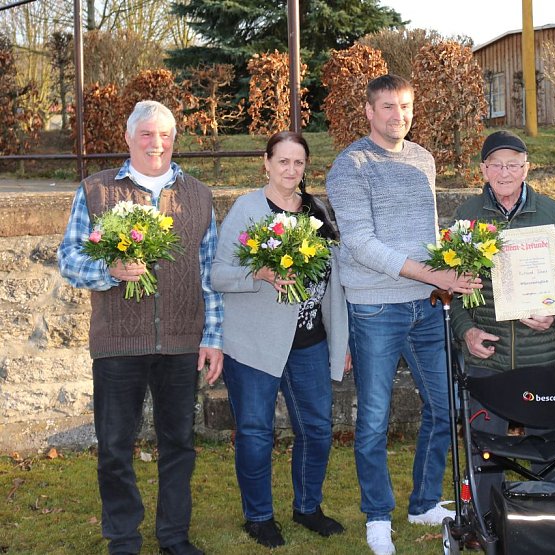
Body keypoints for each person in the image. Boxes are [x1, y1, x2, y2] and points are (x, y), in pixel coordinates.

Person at [57, 100, 223, 555]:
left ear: (175, 140)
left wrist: (212, 337)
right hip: (117, 343)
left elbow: (209, 274)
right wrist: (110, 270)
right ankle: (123, 539)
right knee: (114, 447)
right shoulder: (96, 190)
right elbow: (68, 259)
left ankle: (174, 536)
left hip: (180, 342)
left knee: (179, 445)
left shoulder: (199, 195)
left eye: (165, 135)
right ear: (128, 138)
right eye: (146, 134)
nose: (156, 143)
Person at [325, 74, 478, 555]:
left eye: (406, 106)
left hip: (427, 305)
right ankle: (377, 517)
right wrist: (434, 274)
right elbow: (360, 243)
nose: (399, 115)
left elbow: (426, 233)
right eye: (388, 107)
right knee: (374, 417)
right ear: (369, 111)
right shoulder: (351, 166)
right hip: (375, 306)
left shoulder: (422, 159)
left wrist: (449, 268)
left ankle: (424, 503)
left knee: (444, 406)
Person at [210, 131, 348, 548]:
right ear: (266, 164)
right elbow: (218, 274)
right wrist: (260, 273)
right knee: (255, 432)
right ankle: (258, 517)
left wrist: (340, 343)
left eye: (298, 162)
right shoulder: (247, 209)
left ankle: (308, 508)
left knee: (318, 429)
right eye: (283, 161)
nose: (291, 170)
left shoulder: (317, 211)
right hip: (254, 344)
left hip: (309, 342)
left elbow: (333, 282)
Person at [450, 130, 555, 516]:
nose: (505, 172)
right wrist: (466, 331)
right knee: (485, 448)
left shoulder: (554, 213)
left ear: (526, 169)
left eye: (513, 165)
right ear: (483, 170)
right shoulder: (466, 215)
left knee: (549, 447)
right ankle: (486, 520)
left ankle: (549, 517)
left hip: (543, 357)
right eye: (496, 165)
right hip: (487, 359)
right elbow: (454, 286)